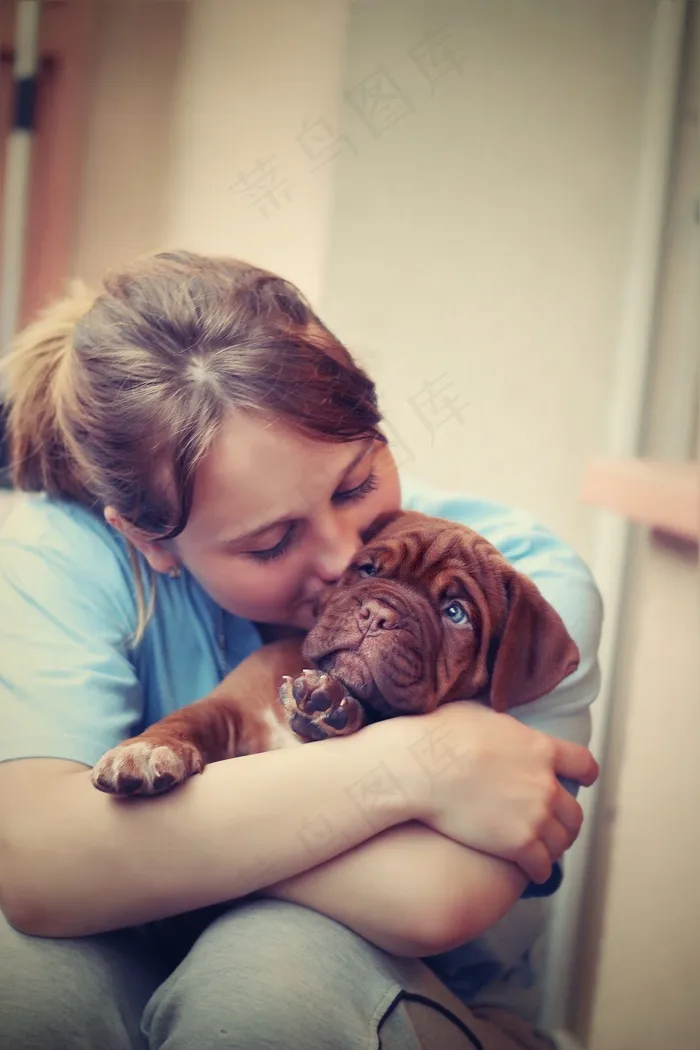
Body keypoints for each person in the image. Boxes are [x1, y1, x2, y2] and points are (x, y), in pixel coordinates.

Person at [0, 251, 601, 1050]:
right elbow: (38, 873)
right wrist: (430, 762)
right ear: (151, 540)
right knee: (28, 983)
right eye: (272, 541)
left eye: (356, 485)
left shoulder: (517, 576)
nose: (344, 552)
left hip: (422, 993)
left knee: (269, 978)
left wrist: (116, 862)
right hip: (134, 953)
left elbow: (430, 899)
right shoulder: (54, 554)